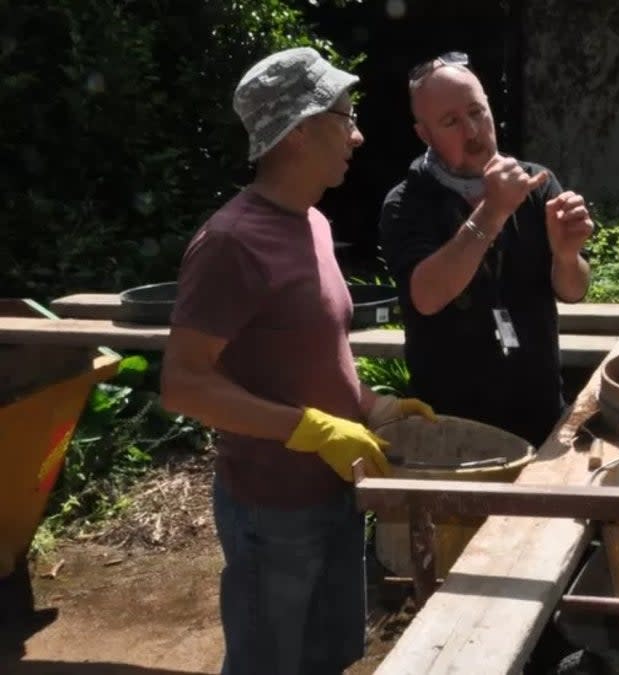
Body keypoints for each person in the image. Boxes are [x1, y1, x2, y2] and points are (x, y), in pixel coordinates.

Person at [160, 47, 435, 675]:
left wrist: (373, 405)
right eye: (346, 117)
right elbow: (183, 384)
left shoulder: (310, 221)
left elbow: (314, 350)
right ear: (302, 129)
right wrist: (307, 429)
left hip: (336, 490)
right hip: (272, 508)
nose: (358, 135)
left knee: (327, 657)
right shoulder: (231, 242)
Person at [378, 51, 594, 446]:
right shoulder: (407, 202)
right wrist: (493, 210)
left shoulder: (538, 184)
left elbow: (573, 289)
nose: (473, 131)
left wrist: (567, 255)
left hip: (540, 413)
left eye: (478, 112)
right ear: (424, 135)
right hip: (453, 428)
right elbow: (426, 296)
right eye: (451, 122)